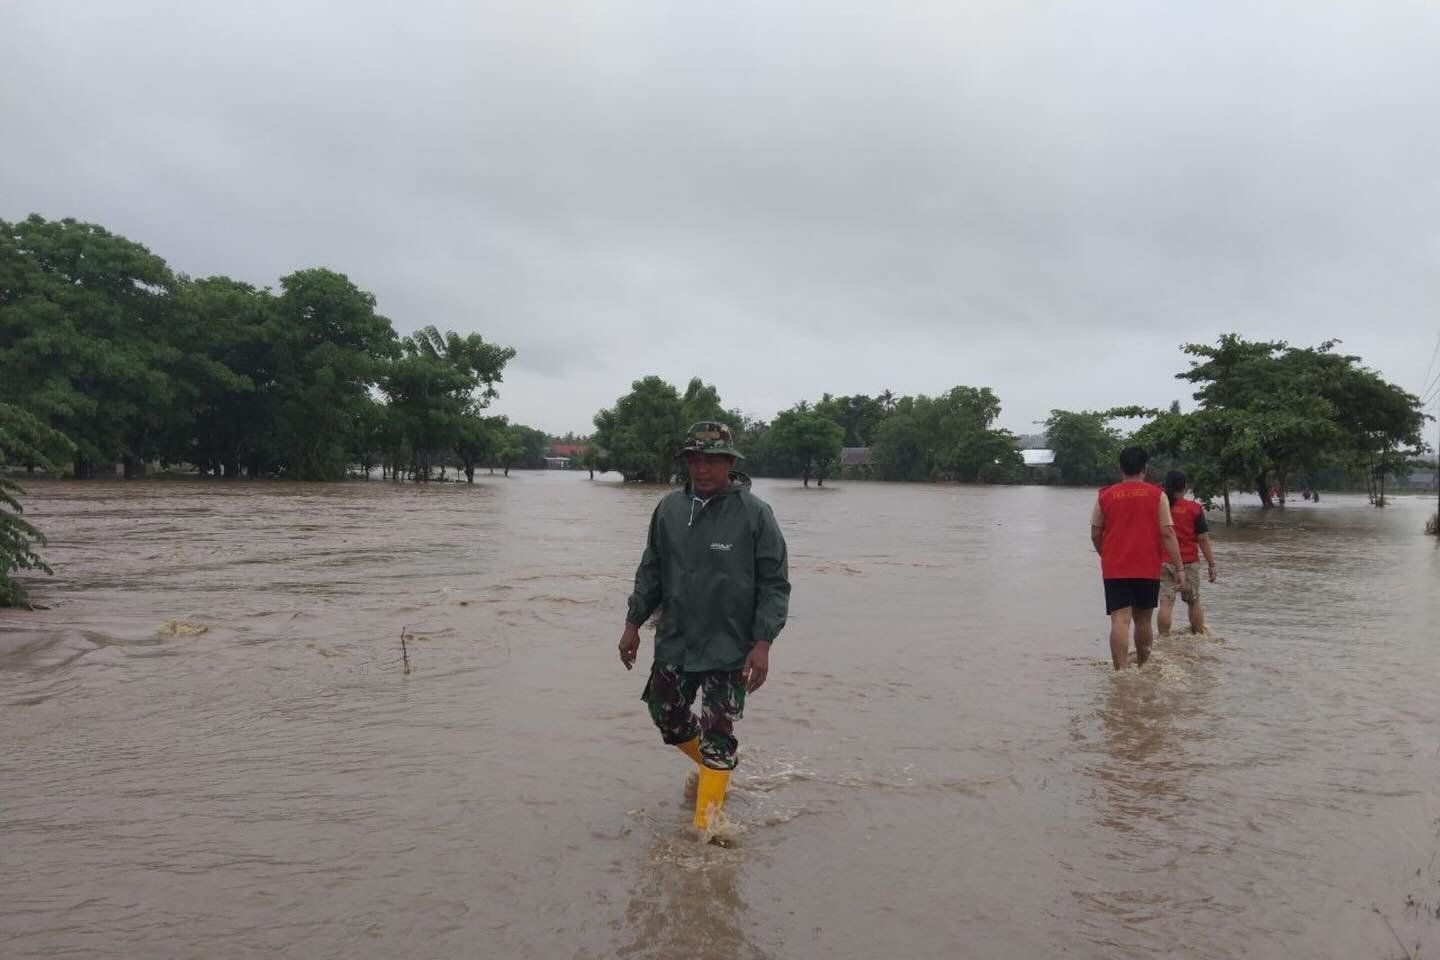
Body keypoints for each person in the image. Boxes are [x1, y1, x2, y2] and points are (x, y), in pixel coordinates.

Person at [618, 421, 791, 832]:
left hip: (731, 646)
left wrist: (763, 642)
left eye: (712, 459)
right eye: (695, 458)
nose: (703, 468)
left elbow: (774, 583)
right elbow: (651, 571)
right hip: (676, 639)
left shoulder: (755, 514)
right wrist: (632, 623)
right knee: (666, 716)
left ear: (729, 462)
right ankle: (716, 765)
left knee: (718, 731)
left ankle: (708, 827)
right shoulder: (669, 510)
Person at [1090, 446, 1185, 670]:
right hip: (1147, 565)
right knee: (1143, 620)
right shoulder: (1157, 495)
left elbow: (1095, 533)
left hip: (1116, 567)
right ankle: (1143, 668)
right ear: (1145, 468)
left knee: (1119, 619)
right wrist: (1179, 567)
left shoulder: (1105, 496)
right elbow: (1167, 533)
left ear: (1120, 467)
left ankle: (1120, 672)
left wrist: (1106, 553)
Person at [1157, 470, 1218, 635]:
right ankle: (1199, 637)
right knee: (1194, 601)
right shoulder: (1195, 509)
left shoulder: (1159, 508)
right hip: (1189, 562)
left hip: (1164, 562)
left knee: (1166, 603)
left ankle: (1163, 641)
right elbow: (1203, 539)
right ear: (1185, 487)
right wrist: (1211, 564)